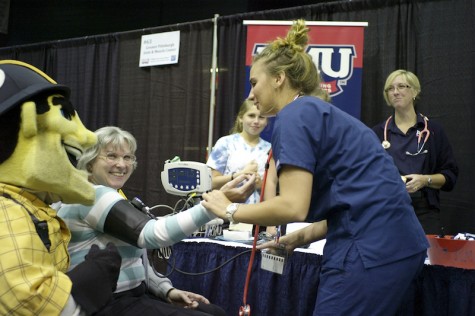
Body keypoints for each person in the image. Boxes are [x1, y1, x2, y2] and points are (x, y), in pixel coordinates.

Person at [201, 20, 429, 315]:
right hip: (394, 245)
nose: (250, 94)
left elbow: (294, 206)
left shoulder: (296, 115)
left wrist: (229, 209)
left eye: (254, 82)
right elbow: (353, 203)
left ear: (279, 78)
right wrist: (300, 237)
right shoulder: (317, 114)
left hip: (371, 250)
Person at [58, 126, 254, 316]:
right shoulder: (92, 196)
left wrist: (166, 291)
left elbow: (137, 261)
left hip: (133, 295)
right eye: (111, 156)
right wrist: (212, 206)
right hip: (107, 303)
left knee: (215, 312)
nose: (122, 164)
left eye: (127, 157)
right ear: (90, 162)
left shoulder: (112, 196)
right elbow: (152, 235)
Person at [0, 60, 122, 315]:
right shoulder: (6, 212)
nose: (89, 137)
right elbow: (29, 301)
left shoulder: (29, 205)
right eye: (65, 115)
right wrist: (84, 286)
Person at [372, 69, 458, 235]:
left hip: (424, 212)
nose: (395, 92)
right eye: (390, 88)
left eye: (401, 86)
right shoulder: (377, 133)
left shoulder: (433, 131)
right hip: (387, 211)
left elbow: (450, 176)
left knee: (425, 260)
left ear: (415, 91)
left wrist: (425, 180)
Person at [206, 98, 271, 205]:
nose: (256, 121)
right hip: (226, 212)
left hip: (258, 215)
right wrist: (239, 175)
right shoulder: (225, 143)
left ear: (266, 122)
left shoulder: (270, 149)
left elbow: (276, 187)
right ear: (241, 118)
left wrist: (261, 185)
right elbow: (211, 183)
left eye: (261, 117)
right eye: (251, 116)